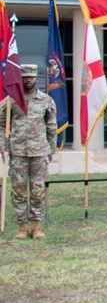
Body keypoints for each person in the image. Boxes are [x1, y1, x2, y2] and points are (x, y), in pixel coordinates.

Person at [4, 63, 57, 239]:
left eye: (32, 77)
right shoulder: (11, 100)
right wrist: (3, 147)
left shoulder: (45, 100)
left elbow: (51, 125)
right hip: (18, 152)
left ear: (37, 78)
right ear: (20, 78)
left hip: (39, 152)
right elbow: (1, 124)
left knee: (37, 189)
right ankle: (22, 227)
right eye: (25, 77)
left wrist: (52, 147)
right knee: (18, 189)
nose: (28, 80)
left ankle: (36, 226)